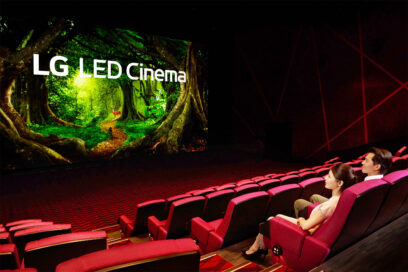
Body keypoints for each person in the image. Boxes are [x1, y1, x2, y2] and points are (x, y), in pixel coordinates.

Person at [242, 163, 356, 260]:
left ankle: (255, 249)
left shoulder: (330, 205)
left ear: (340, 183)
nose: (325, 178)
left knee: (271, 220)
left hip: (304, 235)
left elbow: (306, 226)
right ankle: (258, 248)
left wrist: (301, 219)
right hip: (311, 231)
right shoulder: (340, 200)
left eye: (330, 176)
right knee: (277, 216)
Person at [294, 146, 392, 217]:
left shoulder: (366, 187)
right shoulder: (382, 183)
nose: (362, 162)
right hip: (345, 209)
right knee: (315, 197)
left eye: (366, 160)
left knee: (298, 202)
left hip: (339, 214)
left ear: (377, 166)